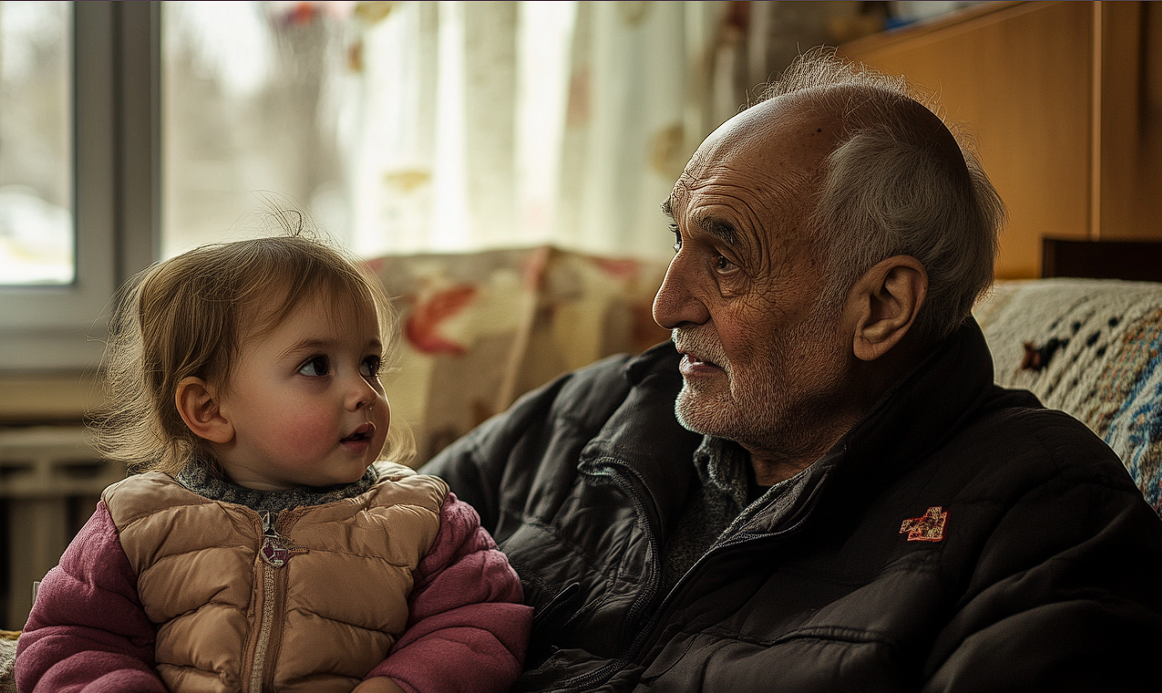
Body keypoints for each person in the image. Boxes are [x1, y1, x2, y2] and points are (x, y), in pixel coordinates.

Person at [420, 48, 1162, 691]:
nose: (666, 303)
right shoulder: (595, 409)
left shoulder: (1044, 518)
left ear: (879, 307)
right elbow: (353, 542)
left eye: (725, 258)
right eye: (677, 238)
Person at [16, 231, 532, 693]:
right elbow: (69, 638)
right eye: (316, 366)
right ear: (209, 409)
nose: (362, 391)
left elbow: (481, 624)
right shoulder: (136, 521)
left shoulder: (425, 516)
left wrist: (402, 684)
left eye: (369, 364)